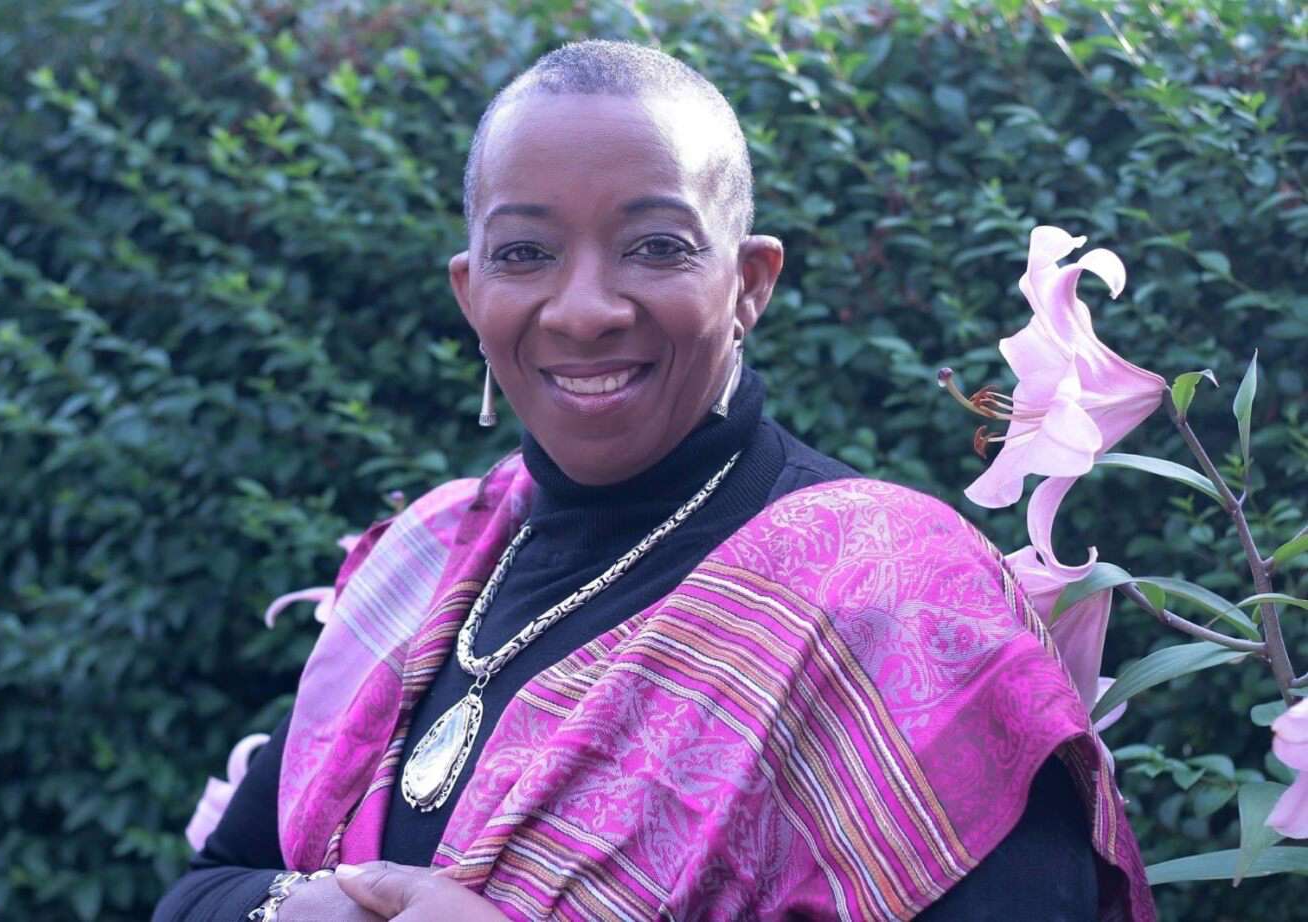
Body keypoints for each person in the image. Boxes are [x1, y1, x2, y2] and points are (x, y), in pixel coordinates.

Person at [154, 40, 1154, 921]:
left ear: (749, 282)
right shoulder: (428, 567)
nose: (583, 308)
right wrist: (299, 907)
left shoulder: (892, 600)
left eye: (655, 246)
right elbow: (206, 886)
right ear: (472, 291)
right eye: (525, 252)